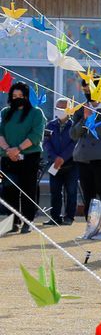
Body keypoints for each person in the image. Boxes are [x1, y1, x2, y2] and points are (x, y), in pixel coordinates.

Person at [71, 80, 101, 238]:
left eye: (89, 88)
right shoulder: (82, 108)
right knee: (88, 194)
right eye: (84, 89)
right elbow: (73, 134)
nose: (87, 92)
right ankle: (91, 227)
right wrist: (84, 119)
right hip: (84, 158)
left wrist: (93, 119)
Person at [0, 82, 46, 231]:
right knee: (9, 190)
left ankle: (27, 222)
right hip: (7, 157)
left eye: (20, 96)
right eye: (14, 96)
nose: (17, 98)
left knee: (28, 190)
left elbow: (36, 135)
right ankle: (13, 222)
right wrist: (8, 150)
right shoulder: (5, 112)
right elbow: (0, 133)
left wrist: (18, 149)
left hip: (29, 157)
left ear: (26, 97)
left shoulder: (36, 113)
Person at [43, 98, 78, 225]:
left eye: (62, 109)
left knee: (71, 191)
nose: (59, 111)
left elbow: (74, 144)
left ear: (69, 110)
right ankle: (55, 217)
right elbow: (46, 143)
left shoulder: (74, 126)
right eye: (57, 108)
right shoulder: (49, 125)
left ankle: (69, 217)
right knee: (55, 191)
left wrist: (63, 158)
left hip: (71, 164)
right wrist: (54, 157)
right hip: (54, 164)